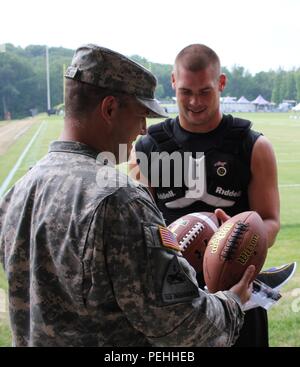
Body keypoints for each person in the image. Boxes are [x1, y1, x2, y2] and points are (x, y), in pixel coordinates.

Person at [0, 44, 254, 347]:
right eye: (140, 113)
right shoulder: (120, 201)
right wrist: (232, 302)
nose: (144, 129)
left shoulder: (21, 190)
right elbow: (185, 326)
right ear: (109, 109)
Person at [130, 44, 280, 347]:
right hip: (172, 297)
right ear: (173, 82)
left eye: (205, 91)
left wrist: (235, 238)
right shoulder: (147, 148)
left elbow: (271, 220)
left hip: (238, 294)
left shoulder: (252, 146)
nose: (195, 101)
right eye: (186, 91)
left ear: (221, 83)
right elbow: (137, 229)